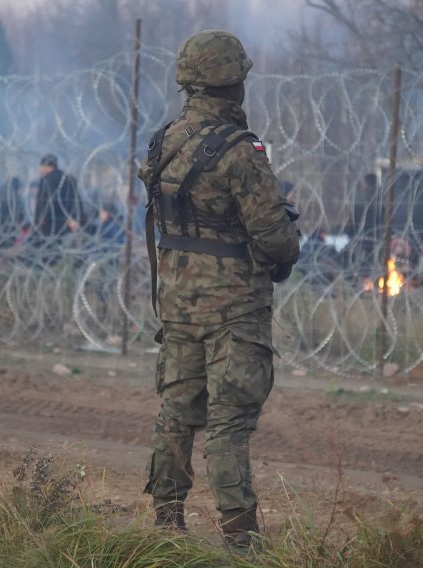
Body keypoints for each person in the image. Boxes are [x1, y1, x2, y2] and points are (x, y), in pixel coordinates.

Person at [138, 30, 300, 551]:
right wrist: (286, 249)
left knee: (176, 413)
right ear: (233, 82)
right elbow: (274, 237)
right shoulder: (240, 150)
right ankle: (241, 540)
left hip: (179, 302)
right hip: (234, 308)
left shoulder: (165, 140)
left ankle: (166, 524)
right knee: (229, 423)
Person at [34, 154, 84, 243]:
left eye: (41, 166)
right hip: (68, 221)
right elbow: (76, 199)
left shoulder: (47, 180)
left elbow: (48, 200)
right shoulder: (68, 178)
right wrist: (75, 218)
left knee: (48, 249)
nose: (40, 169)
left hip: (50, 222)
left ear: (46, 166)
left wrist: (41, 217)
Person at [0, 176, 29, 248]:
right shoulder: (14, 197)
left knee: (1, 243)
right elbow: (19, 212)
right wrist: (23, 223)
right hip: (10, 226)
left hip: (0, 225)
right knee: (9, 245)